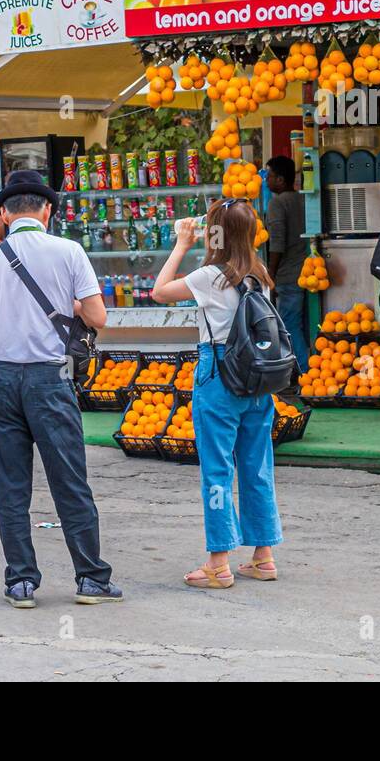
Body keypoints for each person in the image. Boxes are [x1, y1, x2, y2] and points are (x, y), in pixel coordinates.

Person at [0, 170, 120, 608]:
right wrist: (65, 305)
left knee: (11, 483)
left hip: (0, 378)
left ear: (3, 213)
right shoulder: (68, 251)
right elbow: (98, 318)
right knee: (69, 478)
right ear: (48, 210)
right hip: (50, 379)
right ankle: (91, 577)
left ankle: (20, 582)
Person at [153, 199, 283, 590]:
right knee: (257, 466)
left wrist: (180, 243)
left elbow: (160, 292)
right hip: (258, 378)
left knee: (217, 469)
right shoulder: (260, 275)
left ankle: (219, 562)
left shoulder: (210, 275)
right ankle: (263, 556)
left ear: (216, 234)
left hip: (219, 373)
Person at [263, 156, 309, 371]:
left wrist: (270, 273)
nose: (266, 181)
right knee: (302, 325)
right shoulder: (302, 199)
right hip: (306, 273)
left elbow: (277, 243)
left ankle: (306, 373)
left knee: (290, 325)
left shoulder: (277, 203)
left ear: (280, 180)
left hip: (289, 275)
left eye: (269, 176)